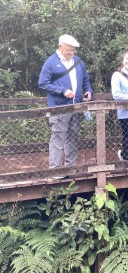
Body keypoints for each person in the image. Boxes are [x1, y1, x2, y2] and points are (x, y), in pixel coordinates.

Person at [38, 34, 93, 171]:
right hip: (59, 107)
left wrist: (88, 91)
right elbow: (43, 83)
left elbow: (86, 80)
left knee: (73, 136)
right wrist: (62, 91)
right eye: (69, 50)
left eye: (73, 50)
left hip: (76, 106)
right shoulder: (51, 62)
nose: (71, 53)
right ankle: (55, 169)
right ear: (60, 47)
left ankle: (71, 166)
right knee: (58, 138)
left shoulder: (78, 61)